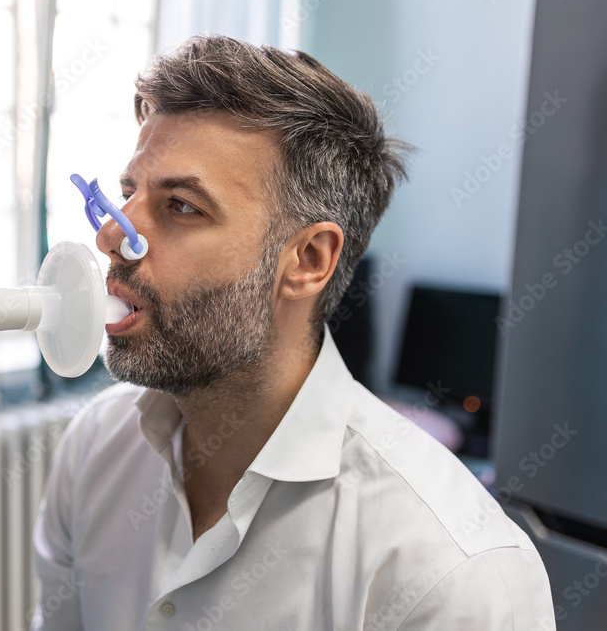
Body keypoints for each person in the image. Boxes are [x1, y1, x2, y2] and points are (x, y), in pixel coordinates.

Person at [31, 35, 555, 629]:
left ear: (307, 260)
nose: (112, 237)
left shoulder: (450, 571)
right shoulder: (96, 447)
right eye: (129, 194)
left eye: (181, 206)